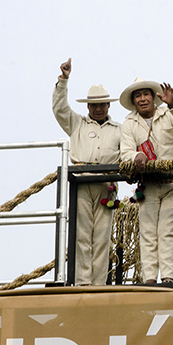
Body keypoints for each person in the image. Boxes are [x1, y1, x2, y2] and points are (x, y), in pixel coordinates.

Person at [52, 58, 121, 286]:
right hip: (81, 184)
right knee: (81, 235)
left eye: (102, 104)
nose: (98, 108)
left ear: (108, 106)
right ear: (88, 107)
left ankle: (99, 284)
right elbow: (60, 109)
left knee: (102, 237)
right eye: (94, 105)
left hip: (106, 186)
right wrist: (63, 80)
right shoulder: (77, 124)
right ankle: (82, 282)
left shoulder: (120, 130)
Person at [119, 77, 173, 284]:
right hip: (149, 184)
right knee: (148, 232)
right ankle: (150, 279)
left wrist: (172, 104)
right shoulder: (129, 124)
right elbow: (125, 152)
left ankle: (168, 277)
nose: (142, 99)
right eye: (138, 96)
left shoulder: (169, 112)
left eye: (145, 94)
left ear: (153, 97)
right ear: (134, 101)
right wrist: (136, 156)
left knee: (169, 232)